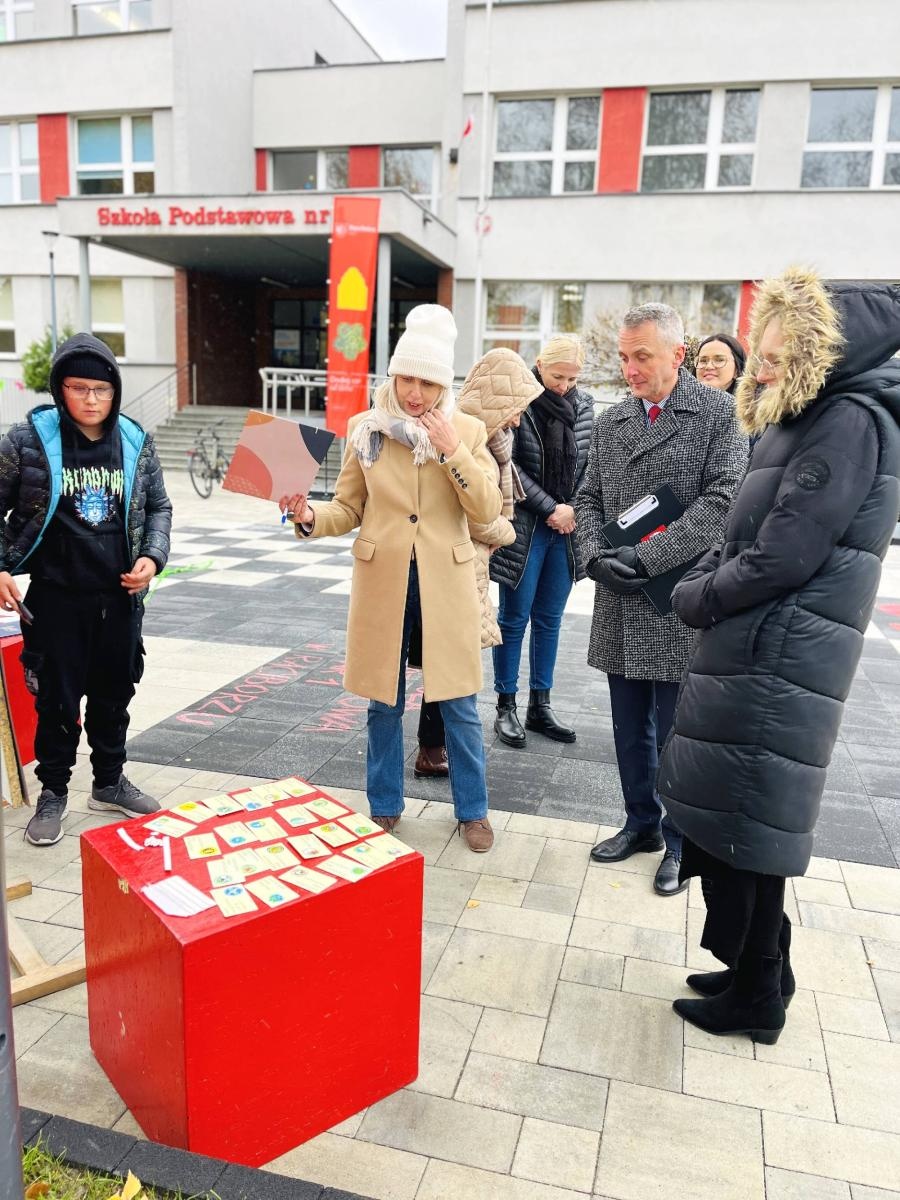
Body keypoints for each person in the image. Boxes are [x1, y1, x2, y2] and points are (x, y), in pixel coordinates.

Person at [659, 269, 900, 1044]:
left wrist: (697, 596)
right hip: (760, 646)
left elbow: (783, 555)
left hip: (779, 656)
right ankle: (756, 968)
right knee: (732, 821)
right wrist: (699, 574)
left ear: (815, 355)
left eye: (768, 357)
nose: (754, 367)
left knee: (746, 832)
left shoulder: (847, 422)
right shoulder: (809, 414)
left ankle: (757, 996)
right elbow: (746, 530)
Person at [281, 305, 502, 852]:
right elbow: (349, 508)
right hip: (384, 581)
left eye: (427, 382)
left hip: (446, 583)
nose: (415, 394)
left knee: (459, 702)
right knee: (383, 700)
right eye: (407, 378)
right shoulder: (365, 428)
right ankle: (383, 806)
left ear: (442, 382)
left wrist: (452, 449)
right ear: (393, 375)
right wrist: (309, 516)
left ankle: (472, 810)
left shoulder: (468, 430)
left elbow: (486, 508)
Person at [575, 303, 747, 895]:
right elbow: (589, 496)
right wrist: (595, 557)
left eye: (641, 356)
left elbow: (723, 501)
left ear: (679, 355)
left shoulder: (720, 413)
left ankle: (678, 840)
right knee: (628, 726)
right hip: (620, 598)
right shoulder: (613, 419)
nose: (630, 368)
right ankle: (640, 822)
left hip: (678, 597)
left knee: (676, 729)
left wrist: (647, 558)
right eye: (623, 357)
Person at [0, 332, 172, 847]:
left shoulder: (136, 440)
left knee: (115, 695)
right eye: (79, 388)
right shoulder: (28, 440)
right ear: (60, 388)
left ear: (115, 391)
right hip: (55, 599)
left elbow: (159, 506)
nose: (92, 400)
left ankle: (109, 782)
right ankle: (53, 793)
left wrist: (152, 557)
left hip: (119, 600)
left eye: (102, 389)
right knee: (56, 701)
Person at [411, 348, 543, 780]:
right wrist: (506, 531)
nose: (518, 421)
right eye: (515, 410)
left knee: (444, 664)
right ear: (497, 403)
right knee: (451, 669)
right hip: (453, 566)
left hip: (463, 567)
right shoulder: (468, 437)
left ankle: (434, 749)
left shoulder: (490, 439)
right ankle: (439, 756)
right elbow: (482, 517)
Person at [489, 335, 595, 748]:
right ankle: (506, 706)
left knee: (550, 620)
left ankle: (540, 706)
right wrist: (551, 506)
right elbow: (508, 465)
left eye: (572, 378)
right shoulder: (518, 402)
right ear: (538, 366)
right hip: (526, 528)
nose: (565, 385)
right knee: (513, 620)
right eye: (557, 376)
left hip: (565, 532)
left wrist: (571, 510)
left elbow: (591, 464)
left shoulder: (585, 406)